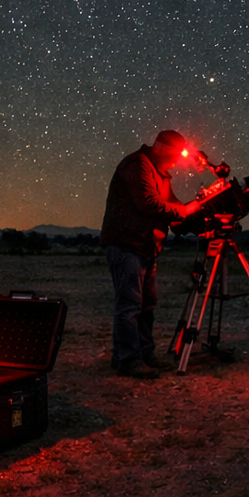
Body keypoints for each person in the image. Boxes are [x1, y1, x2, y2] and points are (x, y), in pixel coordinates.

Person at [100, 130, 199, 379]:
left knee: (146, 306)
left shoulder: (160, 173)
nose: (176, 162)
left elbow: (172, 209)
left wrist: (195, 217)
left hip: (145, 247)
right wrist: (187, 210)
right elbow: (148, 203)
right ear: (159, 147)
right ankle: (129, 361)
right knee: (130, 306)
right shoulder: (137, 165)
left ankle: (143, 355)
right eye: (174, 155)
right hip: (127, 245)